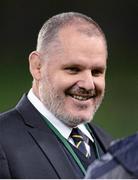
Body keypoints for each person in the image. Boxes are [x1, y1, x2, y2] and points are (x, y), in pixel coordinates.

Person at [0, 12, 112, 179]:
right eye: (73, 69)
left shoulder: (109, 145)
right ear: (37, 67)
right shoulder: (3, 141)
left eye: (96, 72)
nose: (88, 84)